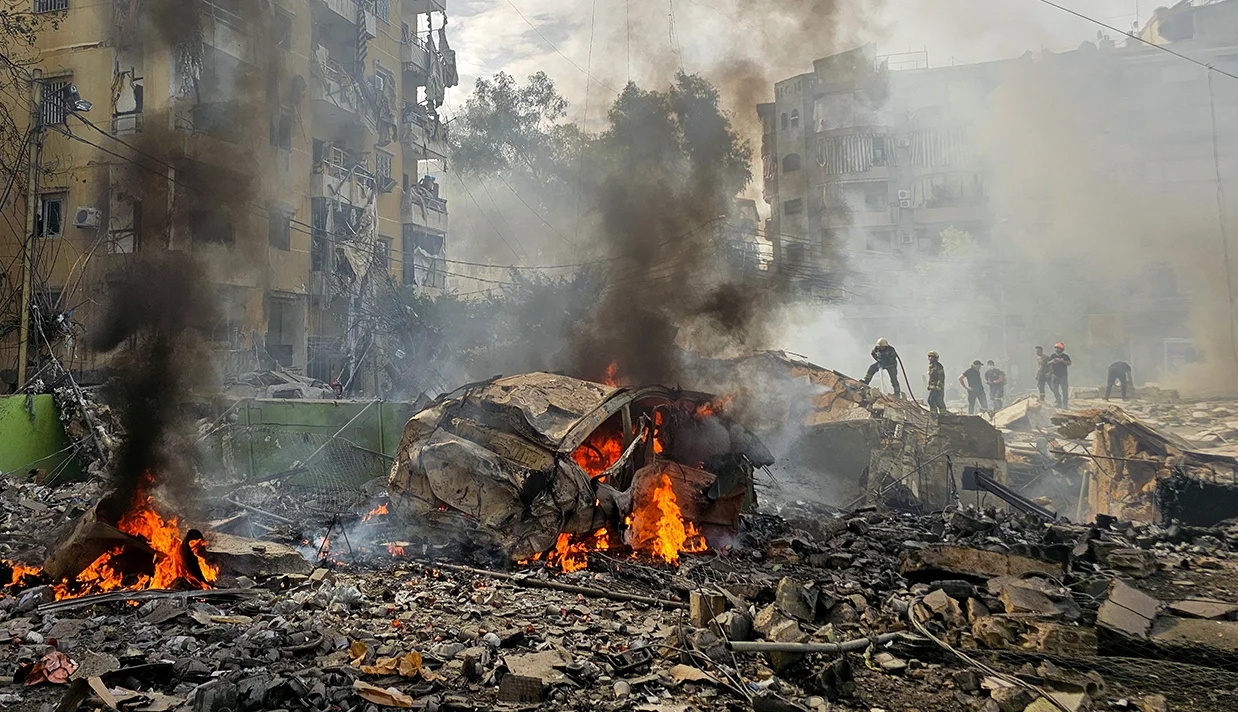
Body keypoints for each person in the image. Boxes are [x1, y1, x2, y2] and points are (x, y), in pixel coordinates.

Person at [1047, 342, 1072, 408]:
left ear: (1062, 349)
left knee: (1064, 391)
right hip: (1055, 375)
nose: (1056, 349)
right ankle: (1058, 402)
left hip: (1063, 376)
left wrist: (1063, 361)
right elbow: (1048, 363)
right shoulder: (1053, 356)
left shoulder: (1065, 356)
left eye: (1058, 348)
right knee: (1054, 389)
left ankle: (1065, 404)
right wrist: (1053, 361)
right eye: (1056, 348)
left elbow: (1069, 363)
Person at [926, 351, 946, 415]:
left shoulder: (939, 366)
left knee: (938, 402)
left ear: (935, 358)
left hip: (938, 388)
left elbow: (941, 378)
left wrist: (938, 388)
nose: (930, 358)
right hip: (933, 388)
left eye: (932, 357)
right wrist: (929, 386)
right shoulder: (931, 366)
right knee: (931, 400)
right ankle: (934, 415)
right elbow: (931, 378)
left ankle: (943, 415)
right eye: (929, 356)